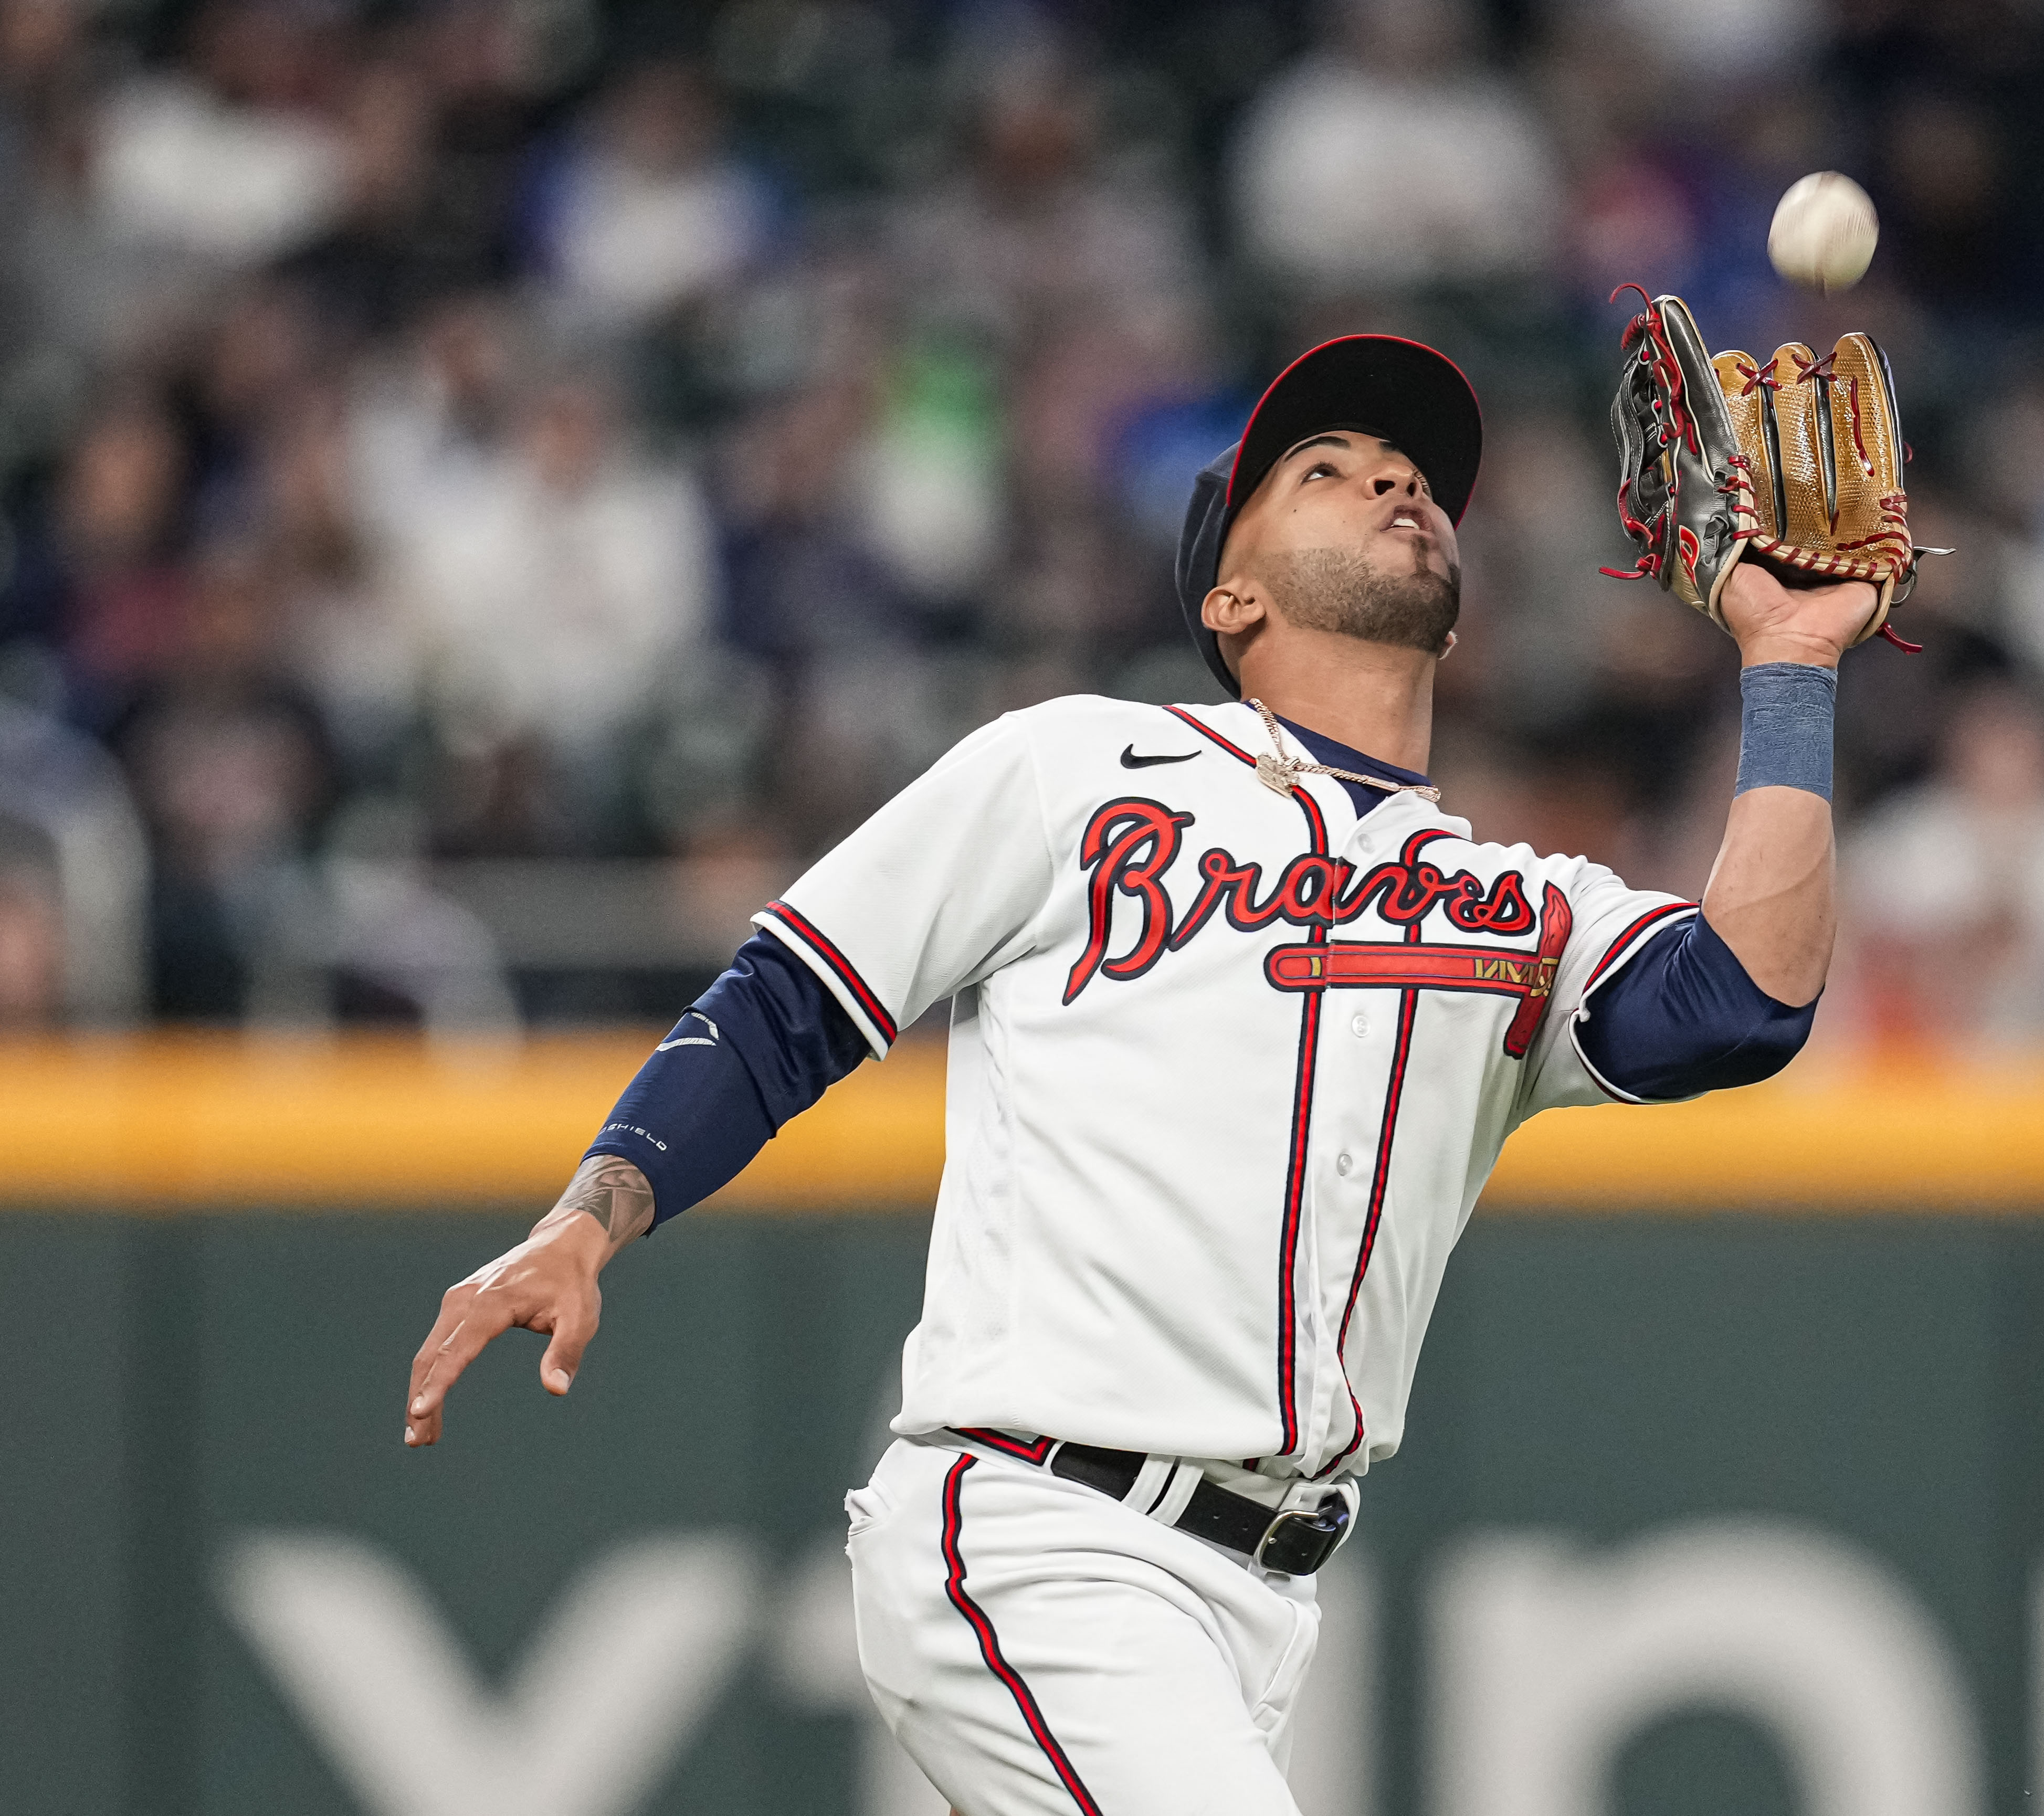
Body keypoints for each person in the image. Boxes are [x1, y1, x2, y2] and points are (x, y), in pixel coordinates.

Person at [401, 335, 1885, 1813]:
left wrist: (1792, 668)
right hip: (1038, 1530)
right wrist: (598, 1209)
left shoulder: (1512, 901)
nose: (1392, 479)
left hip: (1257, 1599)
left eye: (1412, 472)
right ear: (1229, 598)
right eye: (1326, 469)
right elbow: (793, 995)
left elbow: (1743, 1002)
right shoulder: (1082, 768)